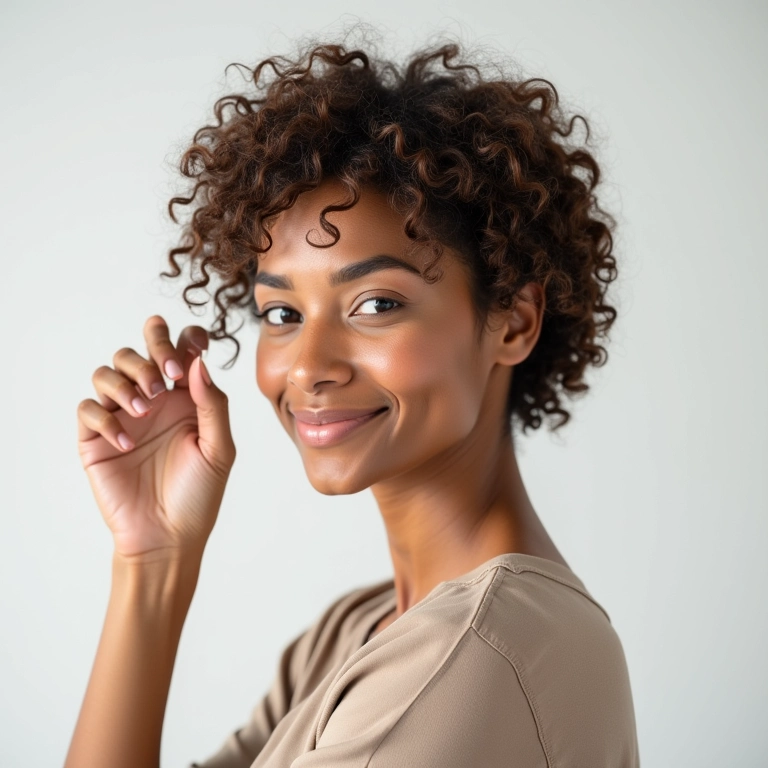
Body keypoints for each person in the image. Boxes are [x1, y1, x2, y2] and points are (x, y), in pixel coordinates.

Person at [65, 35, 640, 768]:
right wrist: (152, 559)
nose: (308, 366)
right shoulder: (360, 629)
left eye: (375, 302)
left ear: (513, 322)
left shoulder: (477, 655)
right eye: (281, 313)